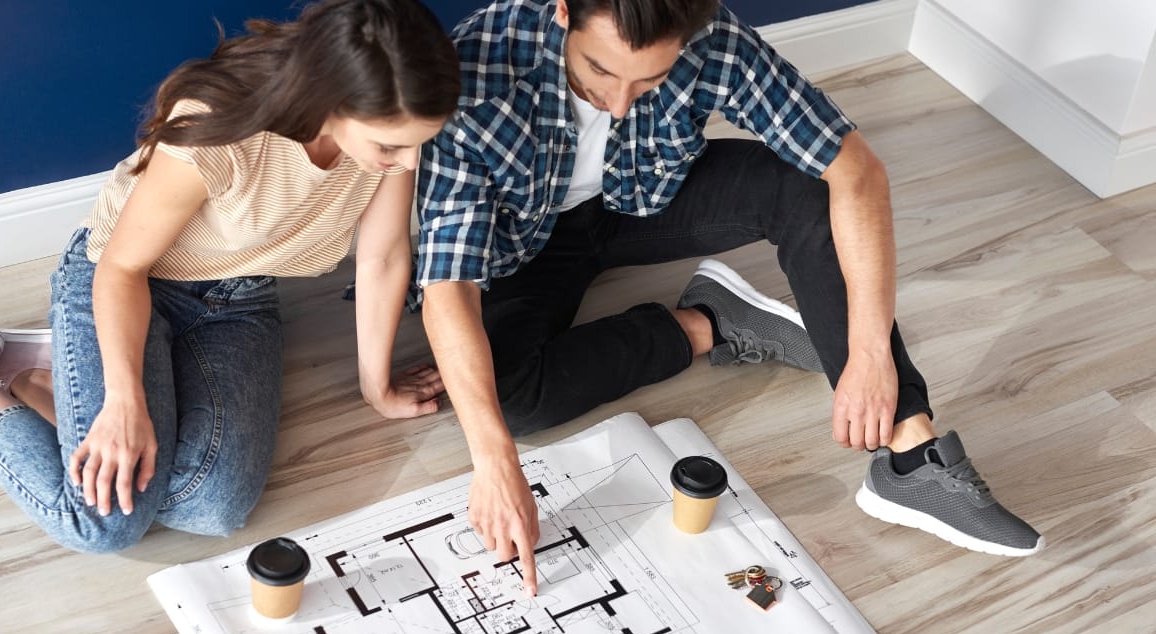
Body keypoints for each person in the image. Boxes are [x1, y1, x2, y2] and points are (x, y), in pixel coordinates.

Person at [413, 0, 1044, 596]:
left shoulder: (715, 40)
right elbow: (449, 285)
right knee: (506, 404)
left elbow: (857, 170)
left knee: (808, 188)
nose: (620, 103)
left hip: (638, 202)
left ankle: (913, 457)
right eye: (599, 71)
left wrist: (871, 350)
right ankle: (709, 322)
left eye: (650, 81)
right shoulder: (478, 69)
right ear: (561, 9)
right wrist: (494, 464)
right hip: (525, 245)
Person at [0, 0, 459, 552]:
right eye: (393, 145)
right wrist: (125, 402)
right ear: (331, 98)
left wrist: (375, 385)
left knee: (211, 504)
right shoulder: (216, 126)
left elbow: (383, 255)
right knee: (103, 525)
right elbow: (124, 266)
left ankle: (48, 381)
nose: (411, 162)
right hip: (128, 281)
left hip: (241, 295)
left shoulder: (387, 147)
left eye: (418, 142)